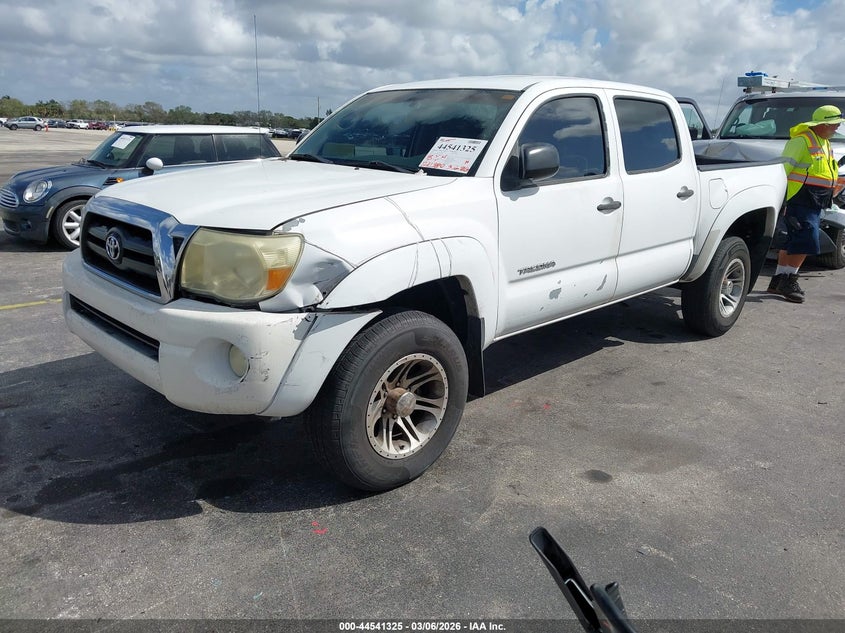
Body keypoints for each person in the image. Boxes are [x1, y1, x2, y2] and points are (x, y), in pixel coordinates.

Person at [768, 105, 845, 302]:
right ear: (823, 124)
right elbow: (783, 170)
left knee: (793, 240)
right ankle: (789, 279)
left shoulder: (824, 141)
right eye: (835, 124)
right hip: (799, 198)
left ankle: (779, 280)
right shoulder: (802, 141)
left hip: (815, 199)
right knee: (806, 239)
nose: (837, 128)